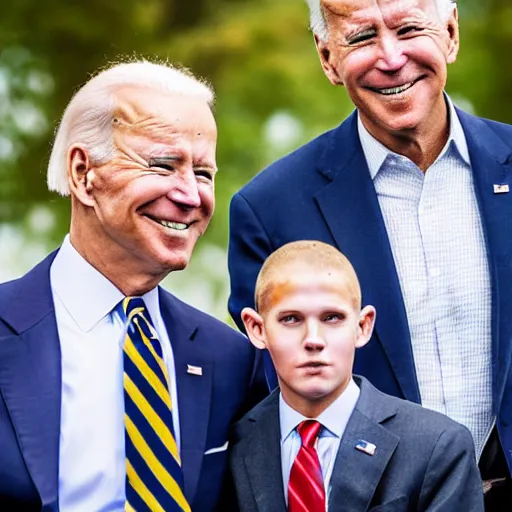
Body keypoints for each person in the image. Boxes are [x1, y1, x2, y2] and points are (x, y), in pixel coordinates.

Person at [227, 0, 512, 504]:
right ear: (327, 58)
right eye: (361, 37)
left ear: (450, 32)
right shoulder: (270, 210)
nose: (391, 56)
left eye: (409, 29)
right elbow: (282, 408)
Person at [0, 60, 264, 512]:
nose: (189, 195)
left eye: (203, 174)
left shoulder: (233, 359)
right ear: (84, 174)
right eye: (163, 165)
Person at [229, 240, 484, 511]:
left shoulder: (436, 446)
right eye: (291, 319)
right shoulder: (232, 447)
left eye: (332, 318)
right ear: (257, 329)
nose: (313, 340)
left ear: (363, 326)